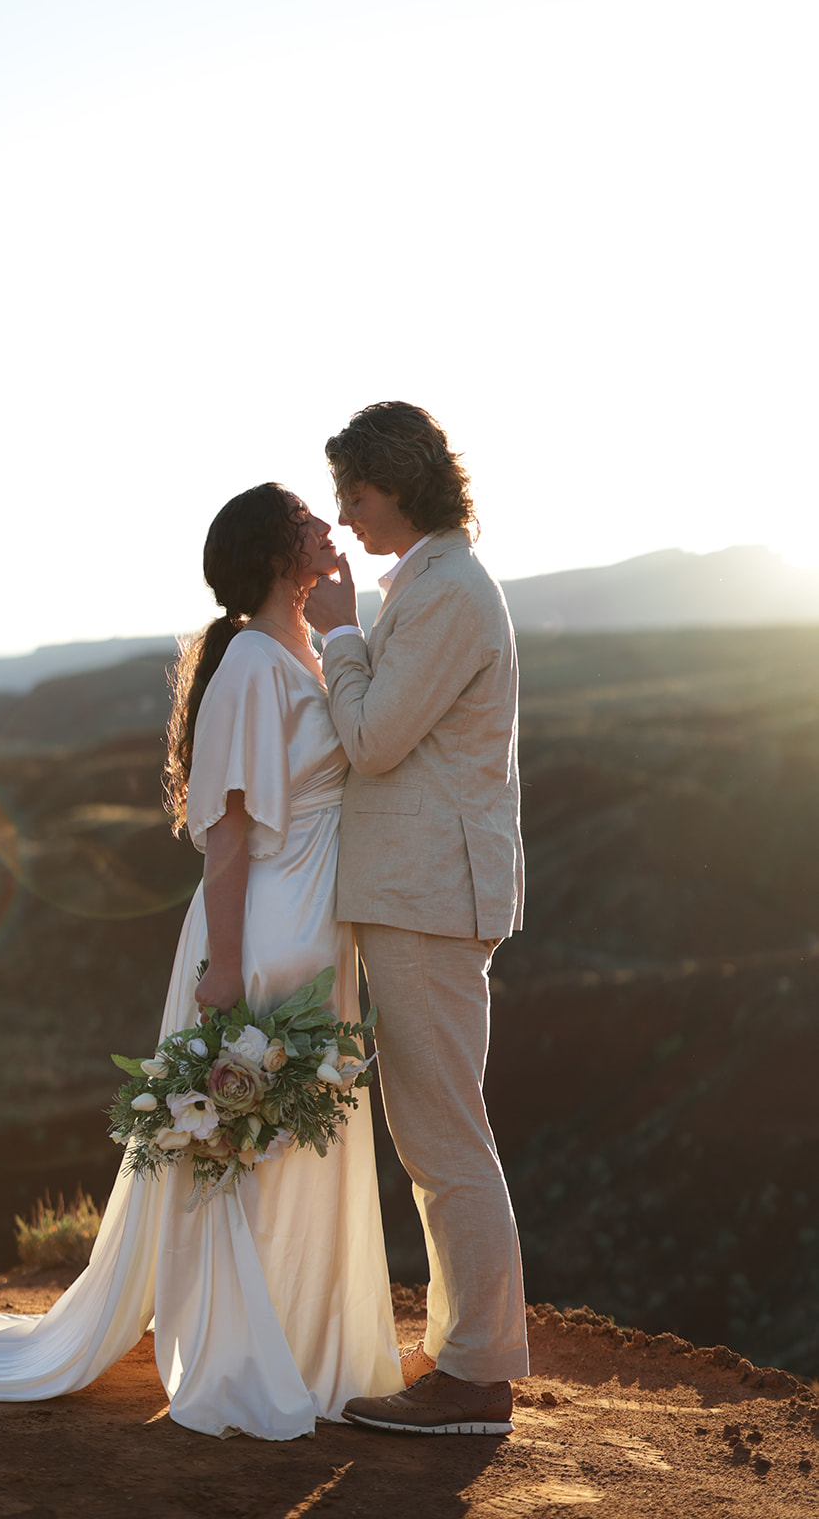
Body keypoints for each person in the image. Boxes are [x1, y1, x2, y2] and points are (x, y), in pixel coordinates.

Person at [0, 483, 402, 1440]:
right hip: (268, 924)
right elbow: (228, 831)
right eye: (310, 520)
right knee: (243, 1141)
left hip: (325, 927)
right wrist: (224, 964)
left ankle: (310, 1345)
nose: (330, 527)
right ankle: (246, 1350)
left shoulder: (308, 653)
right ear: (279, 554)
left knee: (302, 1137)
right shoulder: (248, 670)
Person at [303, 402, 529, 1436]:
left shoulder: (443, 592)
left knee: (444, 1132)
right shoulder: (432, 581)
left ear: (398, 480)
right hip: (422, 888)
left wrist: (339, 636)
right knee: (431, 1126)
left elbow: (375, 739)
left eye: (353, 491)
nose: (345, 514)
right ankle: (458, 1351)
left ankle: (477, 1377)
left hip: (431, 893)